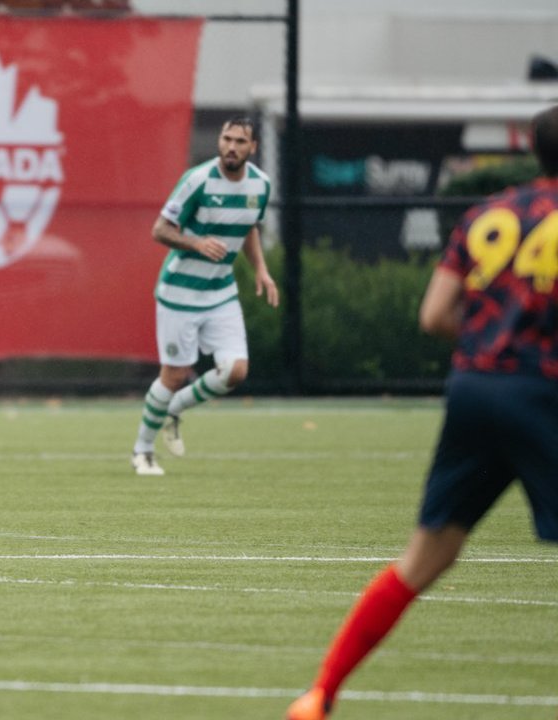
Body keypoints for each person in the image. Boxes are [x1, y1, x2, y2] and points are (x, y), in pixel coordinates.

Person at [286, 104, 558, 720]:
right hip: (541, 393)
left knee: (426, 556)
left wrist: (494, 340)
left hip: (474, 391)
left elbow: (434, 316)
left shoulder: (489, 214)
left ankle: (320, 694)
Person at [131, 117, 280, 476]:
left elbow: (249, 227)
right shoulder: (198, 180)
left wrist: (260, 269)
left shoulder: (261, 185)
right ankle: (143, 451)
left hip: (220, 291)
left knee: (236, 371)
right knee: (174, 375)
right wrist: (196, 243)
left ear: (253, 147)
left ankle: (174, 408)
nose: (231, 147)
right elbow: (159, 230)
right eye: (227, 139)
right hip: (179, 292)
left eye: (240, 142)